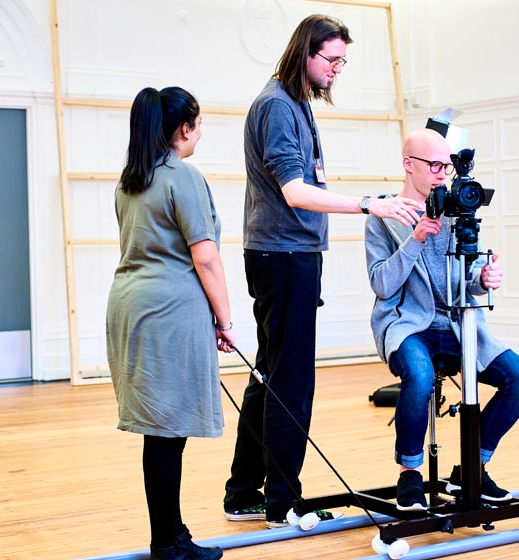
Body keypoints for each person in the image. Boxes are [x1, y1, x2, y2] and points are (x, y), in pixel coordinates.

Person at [223, 14, 424, 529]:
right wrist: (369, 205)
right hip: (283, 257)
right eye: (331, 60)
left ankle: (244, 493)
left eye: (342, 62)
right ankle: (282, 503)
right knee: (290, 380)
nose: (337, 70)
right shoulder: (276, 107)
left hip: (286, 255)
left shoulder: (292, 104)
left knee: (268, 374)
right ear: (305, 53)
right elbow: (294, 191)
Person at [364, 128, 519, 511]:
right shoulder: (385, 215)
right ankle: (410, 474)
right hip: (407, 325)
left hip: (459, 327)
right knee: (421, 376)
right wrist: (417, 239)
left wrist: (484, 278)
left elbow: (468, 278)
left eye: (449, 165)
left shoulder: (460, 209)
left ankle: (473, 467)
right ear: (409, 165)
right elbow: (381, 283)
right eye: (436, 165)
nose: (444, 174)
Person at [107, 86, 234, 560]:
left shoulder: (129, 180)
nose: (200, 133)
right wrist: (226, 319)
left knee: (159, 431)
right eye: (198, 125)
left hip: (128, 307)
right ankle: (169, 543)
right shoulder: (183, 176)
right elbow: (206, 258)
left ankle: (172, 535)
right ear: (183, 129)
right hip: (168, 312)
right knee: (166, 434)